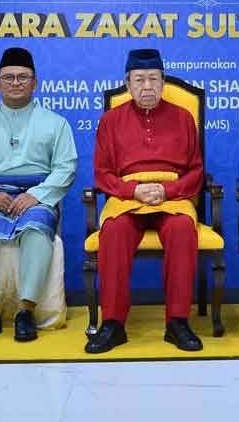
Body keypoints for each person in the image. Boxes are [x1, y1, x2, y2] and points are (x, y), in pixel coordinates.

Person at [0, 47, 77, 343]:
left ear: (35, 83)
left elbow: (67, 167)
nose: (16, 82)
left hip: (36, 197)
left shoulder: (55, 122)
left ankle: (25, 311)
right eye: (8, 77)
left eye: (23, 77)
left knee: (36, 229)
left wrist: (37, 195)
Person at [84, 49, 204, 354]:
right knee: (114, 231)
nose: (147, 86)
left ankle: (177, 322)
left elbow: (196, 170)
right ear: (127, 83)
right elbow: (102, 173)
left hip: (171, 195)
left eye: (153, 79)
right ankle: (113, 324)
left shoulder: (183, 117)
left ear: (164, 81)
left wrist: (169, 190)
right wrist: (133, 191)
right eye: (139, 79)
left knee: (181, 230)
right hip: (128, 196)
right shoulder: (111, 121)